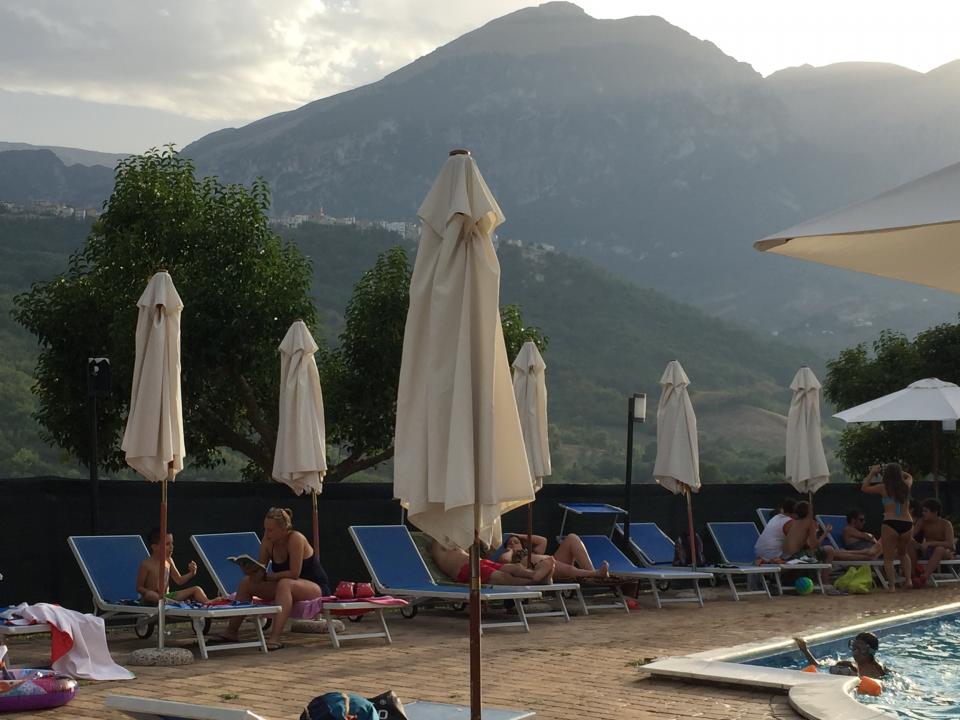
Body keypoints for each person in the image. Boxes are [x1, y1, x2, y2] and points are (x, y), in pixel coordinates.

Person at [218, 507, 331, 651]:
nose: (266, 533)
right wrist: (250, 570)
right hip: (287, 585)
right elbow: (261, 571)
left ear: (284, 529)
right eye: (265, 529)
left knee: (285, 584)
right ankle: (231, 632)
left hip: (315, 587)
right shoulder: (267, 541)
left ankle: (275, 638)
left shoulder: (296, 538)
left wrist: (268, 577)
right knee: (246, 582)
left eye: (270, 530)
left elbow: (294, 573)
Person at [862, 463, 914, 592]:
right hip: (907, 523)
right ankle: (908, 580)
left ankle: (891, 586)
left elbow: (864, 488)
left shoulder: (883, 487)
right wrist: (900, 472)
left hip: (891, 523)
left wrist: (873, 473)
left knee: (888, 558)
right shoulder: (906, 486)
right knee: (903, 553)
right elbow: (910, 476)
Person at [430, 539, 555, 585]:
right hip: (465, 570)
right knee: (503, 577)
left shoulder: (456, 538)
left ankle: (534, 575)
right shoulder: (437, 544)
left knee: (515, 567)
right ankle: (536, 581)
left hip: (477, 562)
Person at [136, 528, 209, 604]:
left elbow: (179, 580)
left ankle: (208, 603)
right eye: (167, 544)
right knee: (150, 595)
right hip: (151, 599)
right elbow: (139, 587)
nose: (171, 547)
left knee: (196, 589)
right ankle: (176, 603)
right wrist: (149, 592)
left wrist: (192, 573)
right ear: (155, 547)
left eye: (172, 543)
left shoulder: (169, 560)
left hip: (167, 596)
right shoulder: (146, 564)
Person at [497, 533, 610, 580]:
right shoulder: (510, 556)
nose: (513, 544)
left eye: (516, 542)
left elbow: (543, 540)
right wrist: (511, 550)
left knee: (572, 537)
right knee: (564, 567)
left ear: (522, 544)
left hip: (550, 562)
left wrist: (517, 535)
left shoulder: (532, 552)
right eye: (510, 543)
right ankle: (595, 574)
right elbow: (504, 561)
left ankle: (592, 575)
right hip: (541, 569)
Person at [794, 632, 886, 679]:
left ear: (866, 650)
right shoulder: (849, 665)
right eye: (853, 647)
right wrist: (805, 650)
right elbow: (819, 667)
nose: (853, 652)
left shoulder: (877, 669)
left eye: (857, 648)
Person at [913, 497, 956, 586]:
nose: (923, 513)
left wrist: (930, 543)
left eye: (926, 511)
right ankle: (912, 574)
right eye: (922, 511)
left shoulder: (945, 524)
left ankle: (923, 577)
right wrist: (916, 544)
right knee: (909, 544)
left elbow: (951, 545)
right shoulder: (922, 522)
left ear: (935, 512)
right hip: (927, 551)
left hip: (944, 552)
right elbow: (910, 535)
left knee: (939, 549)